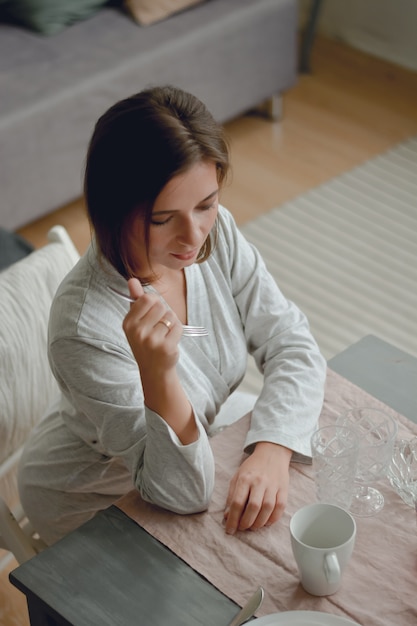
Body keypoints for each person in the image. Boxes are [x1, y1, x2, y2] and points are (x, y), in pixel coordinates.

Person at [18, 85, 326, 545]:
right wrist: (157, 374)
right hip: (96, 495)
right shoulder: (84, 329)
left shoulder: (215, 235)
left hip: (192, 445)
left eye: (206, 204)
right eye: (164, 219)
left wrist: (272, 449)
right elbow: (182, 492)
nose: (193, 236)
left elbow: (291, 340)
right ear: (114, 210)